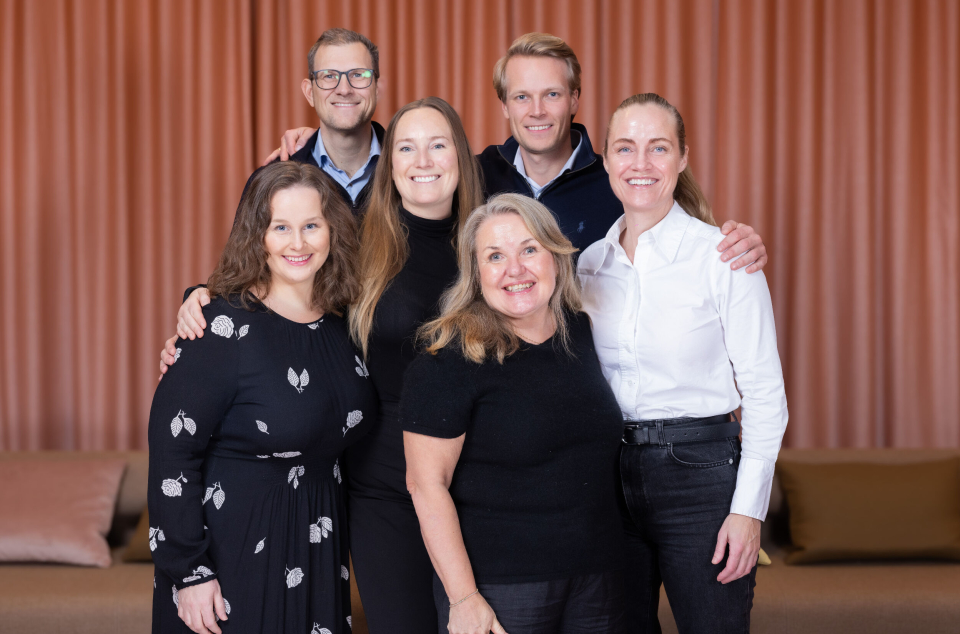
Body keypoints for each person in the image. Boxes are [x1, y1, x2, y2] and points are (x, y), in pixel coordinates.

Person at [162, 97, 484, 633]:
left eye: (438, 144)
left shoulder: (492, 239)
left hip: (484, 475)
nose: (423, 159)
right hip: (384, 481)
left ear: (463, 156)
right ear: (389, 163)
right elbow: (282, 270)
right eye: (406, 146)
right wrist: (203, 300)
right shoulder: (361, 244)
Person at [273, 32, 769, 268]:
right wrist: (319, 141)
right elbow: (385, 205)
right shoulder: (470, 175)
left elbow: (689, 245)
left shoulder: (621, 180)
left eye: (551, 94)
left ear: (574, 99)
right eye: (522, 97)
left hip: (606, 388)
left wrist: (736, 243)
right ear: (504, 105)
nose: (536, 111)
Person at [578, 93, 789, 633]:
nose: (641, 164)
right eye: (625, 148)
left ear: (682, 157)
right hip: (605, 477)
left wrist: (748, 511)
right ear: (605, 159)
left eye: (658, 148)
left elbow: (766, 394)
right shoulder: (588, 267)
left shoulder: (724, 258)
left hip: (701, 474)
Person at [147, 161, 377, 634]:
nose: (299, 243)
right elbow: (173, 453)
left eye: (311, 226)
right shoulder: (218, 327)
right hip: (232, 555)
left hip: (318, 545)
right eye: (281, 228)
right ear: (258, 235)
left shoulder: (343, 323)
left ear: (332, 231)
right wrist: (190, 572)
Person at [402, 193, 627, 634]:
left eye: (529, 249)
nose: (515, 270)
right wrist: (464, 599)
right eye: (495, 256)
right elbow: (425, 485)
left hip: (600, 577)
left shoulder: (583, 334)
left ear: (555, 257)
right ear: (476, 273)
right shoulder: (447, 359)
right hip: (502, 587)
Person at [261, 27, 384, 213]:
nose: (344, 89)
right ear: (310, 93)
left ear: (376, 89)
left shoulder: (412, 167)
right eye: (329, 76)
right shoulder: (273, 179)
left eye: (358, 74)